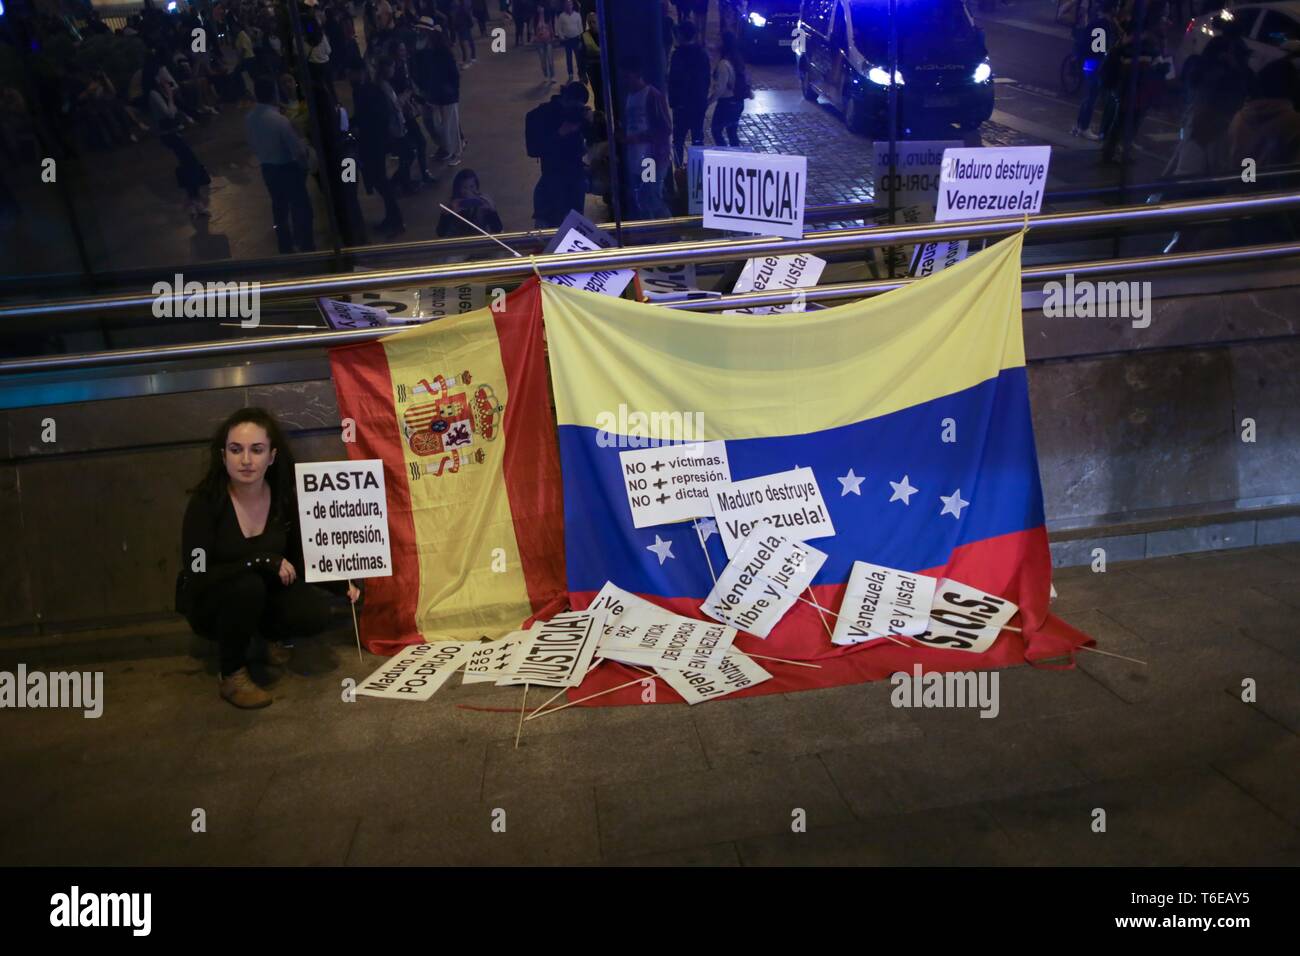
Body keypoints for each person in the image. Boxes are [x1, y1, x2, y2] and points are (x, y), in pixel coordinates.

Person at [177, 408, 358, 709]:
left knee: (313, 611)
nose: (246, 460)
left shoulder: (282, 499)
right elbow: (198, 575)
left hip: (263, 596)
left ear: (271, 456)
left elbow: (300, 557)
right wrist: (259, 561)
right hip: (212, 603)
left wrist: (342, 585)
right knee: (247, 585)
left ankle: (261, 640)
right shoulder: (206, 504)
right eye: (236, 450)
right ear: (223, 456)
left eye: (256, 450)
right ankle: (232, 672)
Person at [245, 74, 316, 252]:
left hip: (267, 168)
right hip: (287, 168)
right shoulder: (280, 121)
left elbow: (252, 145)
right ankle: (306, 246)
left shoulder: (250, 118)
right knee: (301, 208)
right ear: (273, 93)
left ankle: (285, 246)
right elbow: (297, 150)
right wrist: (306, 163)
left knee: (279, 209)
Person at [350, 58, 406, 236]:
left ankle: (395, 218)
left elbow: (371, 117)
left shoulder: (364, 91)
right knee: (379, 180)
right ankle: (393, 217)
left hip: (372, 143)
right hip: (376, 142)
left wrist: (358, 127)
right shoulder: (369, 89)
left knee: (379, 181)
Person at [528, 80, 590, 226]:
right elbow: (535, 149)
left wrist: (590, 122)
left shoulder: (579, 115)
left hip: (574, 178)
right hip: (552, 181)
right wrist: (560, 133)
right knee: (550, 228)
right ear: (566, 99)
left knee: (574, 226)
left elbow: (592, 141)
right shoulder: (543, 115)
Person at [619, 55, 672, 219]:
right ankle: (655, 233)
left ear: (637, 74)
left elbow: (665, 128)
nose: (626, 80)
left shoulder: (652, 96)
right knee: (644, 197)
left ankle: (668, 233)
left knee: (651, 197)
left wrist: (634, 139)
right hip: (637, 158)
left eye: (628, 76)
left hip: (650, 158)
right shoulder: (629, 95)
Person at [414, 18, 466, 166]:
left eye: (423, 30)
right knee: (439, 124)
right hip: (436, 93)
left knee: (449, 125)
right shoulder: (428, 49)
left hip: (446, 94)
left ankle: (455, 153)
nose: (420, 32)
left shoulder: (441, 50)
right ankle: (447, 149)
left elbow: (453, 74)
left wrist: (454, 91)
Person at [1071, 0, 1120, 139]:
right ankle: (1084, 127)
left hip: (1089, 62)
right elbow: (1100, 48)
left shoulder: (1095, 22)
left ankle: (1080, 125)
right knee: (1092, 96)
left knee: (1089, 96)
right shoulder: (1103, 25)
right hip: (1095, 63)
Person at [668, 18, 710, 166]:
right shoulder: (702, 54)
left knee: (678, 140)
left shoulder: (678, 55)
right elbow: (706, 81)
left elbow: (674, 80)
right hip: (697, 104)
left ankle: (679, 169)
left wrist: (674, 102)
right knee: (697, 137)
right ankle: (698, 170)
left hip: (682, 106)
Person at [709, 31, 748, 147]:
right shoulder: (737, 59)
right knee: (732, 133)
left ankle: (725, 156)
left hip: (726, 103)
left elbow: (720, 88)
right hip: (738, 102)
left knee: (716, 130)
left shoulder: (723, 64)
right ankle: (736, 157)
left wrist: (710, 101)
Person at [437, 168, 503, 235]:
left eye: (472, 186)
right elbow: (441, 233)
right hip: (459, 242)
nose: (468, 191)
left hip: (479, 241)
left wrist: (492, 211)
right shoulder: (452, 205)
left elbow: (497, 229)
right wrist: (446, 215)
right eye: (464, 187)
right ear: (458, 189)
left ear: (477, 187)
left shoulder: (483, 203)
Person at [555, 0, 584, 82]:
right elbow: (559, 29)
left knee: (578, 58)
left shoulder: (577, 15)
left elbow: (580, 28)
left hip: (576, 39)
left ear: (572, 6)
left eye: (570, 5)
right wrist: (562, 37)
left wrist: (581, 39)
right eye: (567, 5)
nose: (568, 6)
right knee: (569, 58)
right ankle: (570, 74)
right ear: (564, 6)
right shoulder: (561, 16)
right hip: (567, 39)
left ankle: (580, 73)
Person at [581, 11, 603, 109]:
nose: (592, 24)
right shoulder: (584, 36)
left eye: (594, 22)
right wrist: (582, 73)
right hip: (593, 70)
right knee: (597, 93)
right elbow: (581, 57)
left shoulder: (605, 34)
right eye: (589, 22)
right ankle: (599, 114)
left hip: (605, 70)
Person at [534, 4, 556, 83]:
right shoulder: (535, 19)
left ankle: (552, 76)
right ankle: (546, 75)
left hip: (548, 40)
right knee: (543, 60)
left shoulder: (547, 18)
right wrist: (535, 36)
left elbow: (551, 27)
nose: (540, 9)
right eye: (539, 8)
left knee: (550, 59)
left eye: (541, 8)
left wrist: (552, 35)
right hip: (539, 42)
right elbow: (532, 30)